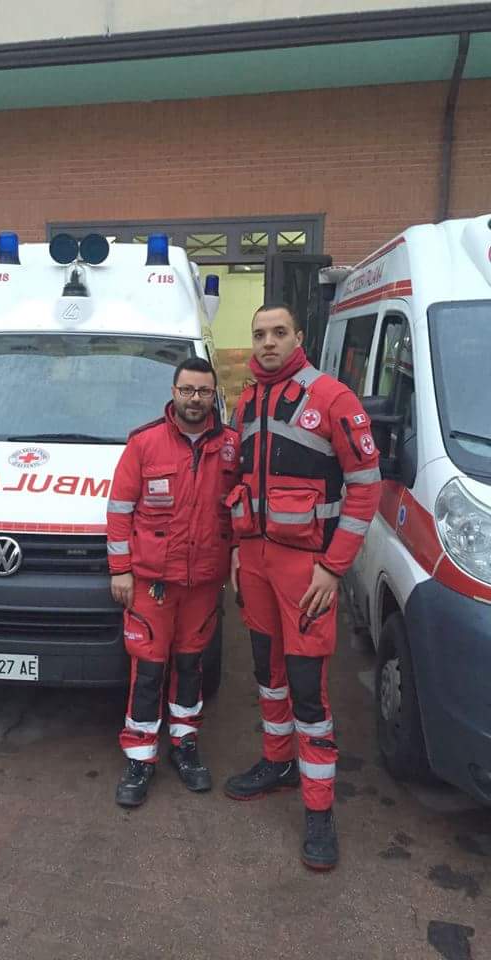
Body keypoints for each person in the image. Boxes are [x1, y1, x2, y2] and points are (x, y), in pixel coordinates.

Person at [225, 303, 381, 870]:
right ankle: (278, 762)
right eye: (259, 334)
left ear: (298, 337)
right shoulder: (246, 402)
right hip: (256, 563)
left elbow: (366, 486)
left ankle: (319, 808)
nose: (267, 343)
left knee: (308, 689)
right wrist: (238, 552)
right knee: (267, 673)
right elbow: (240, 481)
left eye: (278, 333)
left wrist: (334, 567)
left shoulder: (333, 398)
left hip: (308, 570)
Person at [107, 357, 239, 807]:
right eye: (187, 390)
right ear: (174, 392)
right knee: (147, 669)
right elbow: (119, 510)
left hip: (203, 582)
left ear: (213, 395)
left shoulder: (232, 447)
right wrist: (120, 569)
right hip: (152, 583)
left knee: (190, 666)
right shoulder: (144, 443)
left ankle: (185, 744)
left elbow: (240, 510)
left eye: (203, 391)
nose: (195, 399)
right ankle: (140, 758)